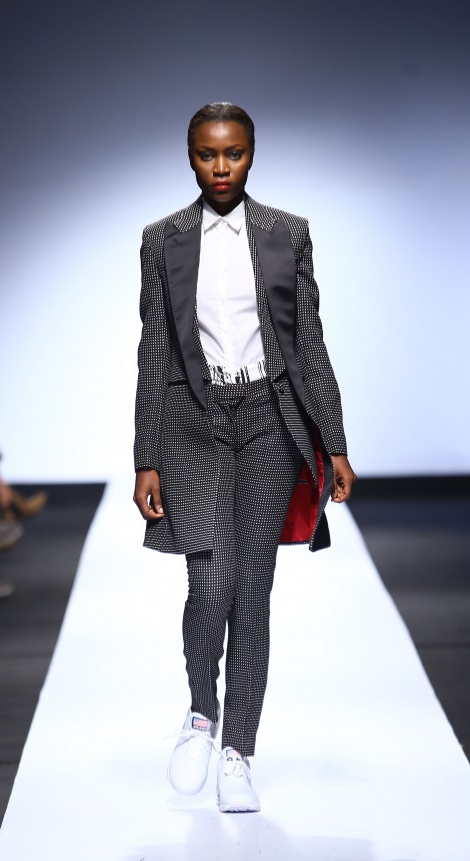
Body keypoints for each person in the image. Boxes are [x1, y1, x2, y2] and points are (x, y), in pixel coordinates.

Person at [133, 102, 356, 813]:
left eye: (233, 153)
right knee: (209, 589)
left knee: (251, 591)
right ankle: (202, 711)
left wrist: (335, 442)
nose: (221, 167)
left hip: (269, 421)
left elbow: (308, 340)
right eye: (207, 154)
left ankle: (238, 752)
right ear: (190, 156)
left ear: (252, 154)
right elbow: (154, 350)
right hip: (192, 424)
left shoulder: (287, 233)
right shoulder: (161, 239)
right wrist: (145, 457)